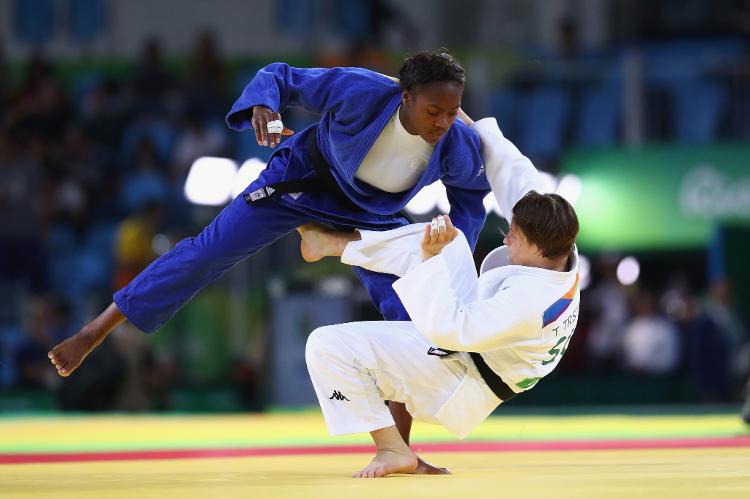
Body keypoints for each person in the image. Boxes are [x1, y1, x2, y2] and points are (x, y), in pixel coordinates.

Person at [48, 51, 489, 380]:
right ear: (405, 97)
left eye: (453, 112)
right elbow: (280, 75)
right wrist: (264, 105)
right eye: (434, 111)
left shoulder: (457, 142)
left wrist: (456, 255)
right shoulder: (361, 90)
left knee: (408, 304)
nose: (444, 122)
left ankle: (399, 444)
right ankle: (94, 331)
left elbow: (470, 197)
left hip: (372, 214)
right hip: (300, 183)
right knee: (206, 252)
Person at [299, 116, 581, 478]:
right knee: (451, 241)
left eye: (515, 238)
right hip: (478, 347)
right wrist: (458, 113)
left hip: (464, 382)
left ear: (542, 250)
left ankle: (391, 449)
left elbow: (450, 331)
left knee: (326, 345)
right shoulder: (556, 237)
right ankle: (331, 244)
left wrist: (430, 260)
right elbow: (511, 165)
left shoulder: (531, 304)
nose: (506, 238)